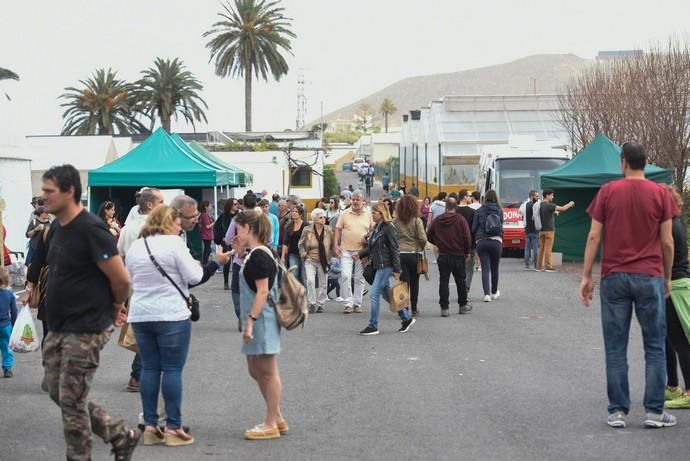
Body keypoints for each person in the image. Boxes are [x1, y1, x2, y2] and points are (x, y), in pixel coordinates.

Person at [23, 164, 140, 460]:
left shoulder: (91, 229)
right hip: (58, 326)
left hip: (86, 327)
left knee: (72, 400)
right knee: (55, 389)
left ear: (70, 191)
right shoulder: (56, 230)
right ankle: (118, 432)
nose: (44, 197)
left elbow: (121, 279)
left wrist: (115, 307)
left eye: (50, 191)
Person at [579, 141, 678, 429]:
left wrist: (587, 276)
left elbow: (594, 236)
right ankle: (655, 411)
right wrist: (667, 276)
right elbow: (668, 241)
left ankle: (617, 411)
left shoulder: (608, 191)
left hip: (614, 276)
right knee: (655, 346)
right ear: (645, 163)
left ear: (623, 162)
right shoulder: (661, 194)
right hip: (649, 275)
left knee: (615, 346)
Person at [125, 205, 201, 447]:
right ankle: (173, 427)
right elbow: (194, 276)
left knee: (149, 368)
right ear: (168, 223)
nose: (180, 227)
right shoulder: (174, 243)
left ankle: (150, 426)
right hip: (171, 314)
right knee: (171, 369)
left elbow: (129, 277)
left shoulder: (137, 245)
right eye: (177, 222)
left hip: (141, 313)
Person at [234, 209, 288, 440]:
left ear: (249, 229)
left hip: (262, 319)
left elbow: (263, 291)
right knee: (256, 369)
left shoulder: (258, 256)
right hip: (260, 318)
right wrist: (238, 253)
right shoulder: (257, 253)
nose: (235, 233)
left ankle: (271, 423)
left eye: (238, 229)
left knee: (267, 371)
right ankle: (276, 417)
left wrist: (250, 321)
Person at [117, 187, 165, 393]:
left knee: (144, 329)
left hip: (131, 284)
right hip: (152, 285)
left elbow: (119, 255)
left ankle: (142, 372)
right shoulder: (157, 227)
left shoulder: (127, 228)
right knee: (152, 331)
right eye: (161, 202)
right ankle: (138, 374)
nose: (165, 206)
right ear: (150, 205)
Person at [357, 202, 415, 335]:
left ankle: (373, 325)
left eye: (374, 212)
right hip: (378, 265)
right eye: (371, 212)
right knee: (387, 294)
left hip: (386, 266)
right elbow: (372, 246)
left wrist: (396, 269)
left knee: (374, 294)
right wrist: (360, 254)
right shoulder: (377, 227)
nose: (372, 215)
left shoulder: (389, 228)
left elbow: (395, 249)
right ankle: (406, 318)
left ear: (381, 213)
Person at [660, 185, 690, 410]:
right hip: (676, 284)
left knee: (680, 341)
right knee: (668, 339)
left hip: (676, 286)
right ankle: (672, 386)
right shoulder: (674, 223)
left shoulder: (671, 226)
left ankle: (688, 391)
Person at [427, 198, 472, 316]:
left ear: (446, 207)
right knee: (461, 281)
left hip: (443, 254)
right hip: (458, 254)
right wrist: (466, 252)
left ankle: (444, 308)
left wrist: (437, 242)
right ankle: (463, 305)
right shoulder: (460, 220)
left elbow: (429, 235)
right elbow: (467, 237)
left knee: (444, 281)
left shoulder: (438, 220)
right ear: (456, 207)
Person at [333, 190, 373, 314]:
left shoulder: (368, 214)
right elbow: (338, 229)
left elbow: (373, 230)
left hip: (362, 252)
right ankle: (348, 303)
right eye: (353, 199)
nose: (355, 202)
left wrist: (368, 239)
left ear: (363, 201)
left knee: (359, 278)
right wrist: (335, 245)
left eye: (357, 200)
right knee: (345, 275)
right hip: (346, 250)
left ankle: (357, 303)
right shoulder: (345, 213)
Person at [393, 195, 427, 317]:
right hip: (414, 254)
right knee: (414, 282)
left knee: (403, 283)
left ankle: (404, 308)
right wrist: (421, 247)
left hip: (400, 254)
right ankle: (414, 308)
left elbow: (392, 238)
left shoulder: (396, 222)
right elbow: (423, 238)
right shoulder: (417, 221)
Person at [299, 208, 333, 313]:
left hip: (323, 260)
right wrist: (304, 255)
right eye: (320, 217)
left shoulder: (328, 230)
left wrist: (330, 256)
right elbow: (300, 244)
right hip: (310, 260)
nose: (323, 219)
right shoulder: (307, 230)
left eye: (324, 217)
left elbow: (333, 244)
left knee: (323, 283)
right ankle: (312, 303)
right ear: (314, 219)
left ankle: (321, 303)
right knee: (310, 280)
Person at [472, 190, 504, 303]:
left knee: (485, 268)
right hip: (496, 242)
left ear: (485, 198)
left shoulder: (479, 210)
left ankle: (486, 294)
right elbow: (501, 226)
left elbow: (474, 228)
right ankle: (494, 292)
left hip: (482, 242)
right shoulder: (500, 211)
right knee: (495, 268)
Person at [536, 189, 574, 273]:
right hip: (549, 230)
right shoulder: (550, 205)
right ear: (547, 195)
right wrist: (570, 204)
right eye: (552, 195)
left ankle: (538, 267)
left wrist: (554, 212)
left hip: (541, 230)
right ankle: (548, 267)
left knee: (541, 249)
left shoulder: (539, 205)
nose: (553, 197)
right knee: (548, 249)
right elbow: (563, 208)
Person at [215, 198, 239, 290]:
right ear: (230, 205)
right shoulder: (223, 216)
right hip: (227, 243)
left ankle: (236, 282)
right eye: (235, 204)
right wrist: (220, 239)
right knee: (227, 262)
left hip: (238, 242)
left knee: (237, 262)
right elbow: (216, 228)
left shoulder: (239, 216)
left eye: (237, 204)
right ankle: (226, 282)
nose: (237, 206)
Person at [281, 205, 307, 287]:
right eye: (292, 211)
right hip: (293, 254)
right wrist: (282, 257)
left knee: (304, 277)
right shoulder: (289, 226)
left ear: (301, 214)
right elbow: (285, 242)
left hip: (304, 254)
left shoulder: (306, 225)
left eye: (296, 212)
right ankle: (296, 296)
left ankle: (306, 297)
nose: (294, 213)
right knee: (294, 275)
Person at [456, 190, 476, 294]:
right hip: (470, 244)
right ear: (464, 197)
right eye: (469, 196)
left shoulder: (454, 211)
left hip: (456, 245)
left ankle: (461, 289)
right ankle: (466, 290)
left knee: (459, 269)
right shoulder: (472, 212)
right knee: (469, 269)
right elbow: (474, 229)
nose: (470, 198)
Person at [0, 267, 17, 378]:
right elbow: (14, 311)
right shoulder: (9, 294)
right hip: (5, 326)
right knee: (6, 348)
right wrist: (13, 324)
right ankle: (7, 369)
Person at [520, 190, 540, 270]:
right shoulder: (537, 205)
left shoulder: (525, 204)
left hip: (527, 229)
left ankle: (527, 265)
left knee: (527, 248)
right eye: (536, 196)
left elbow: (520, 212)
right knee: (535, 248)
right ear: (532, 196)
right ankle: (536, 265)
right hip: (535, 230)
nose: (537, 197)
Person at [198, 200, 215, 265]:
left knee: (208, 249)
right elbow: (207, 226)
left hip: (207, 235)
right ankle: (205, 263)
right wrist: (214, 223)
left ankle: (205, 263)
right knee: (207, 250)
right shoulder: (205, 215)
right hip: (206, 235)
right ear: (206, 207)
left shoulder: (205, 215)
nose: (210, 207)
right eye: (209, 206)